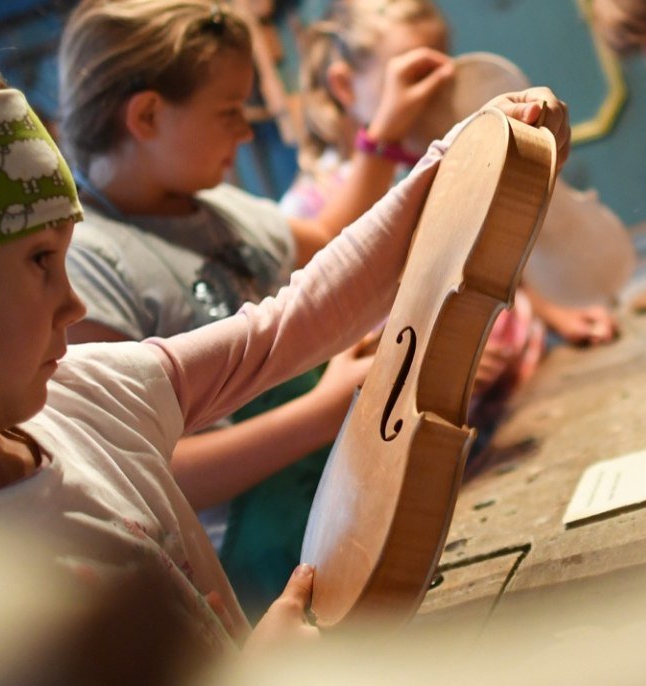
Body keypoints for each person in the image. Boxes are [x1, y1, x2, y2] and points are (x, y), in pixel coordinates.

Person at [0, 37, 568, 656]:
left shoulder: (77, 396)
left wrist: (451, 166)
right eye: (39, 262)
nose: (73, 302)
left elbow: (289, 322)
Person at [54, 0, 457, 615]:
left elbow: (329, 243)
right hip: (252, 581)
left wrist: (381, 137)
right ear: (147, 114)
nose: (245, 130)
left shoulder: (219, 206)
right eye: (228, 111)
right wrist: (324, 411)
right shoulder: (87, 264)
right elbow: (148, 466)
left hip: (337, 517)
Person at [286, 0, 620, 353]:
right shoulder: (309, 207)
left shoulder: (445, 157)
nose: (443, 87)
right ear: (345, 88)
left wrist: (552, 308)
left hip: (528, 362)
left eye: (447, 63)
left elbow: (491, 260)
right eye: (418, 75)